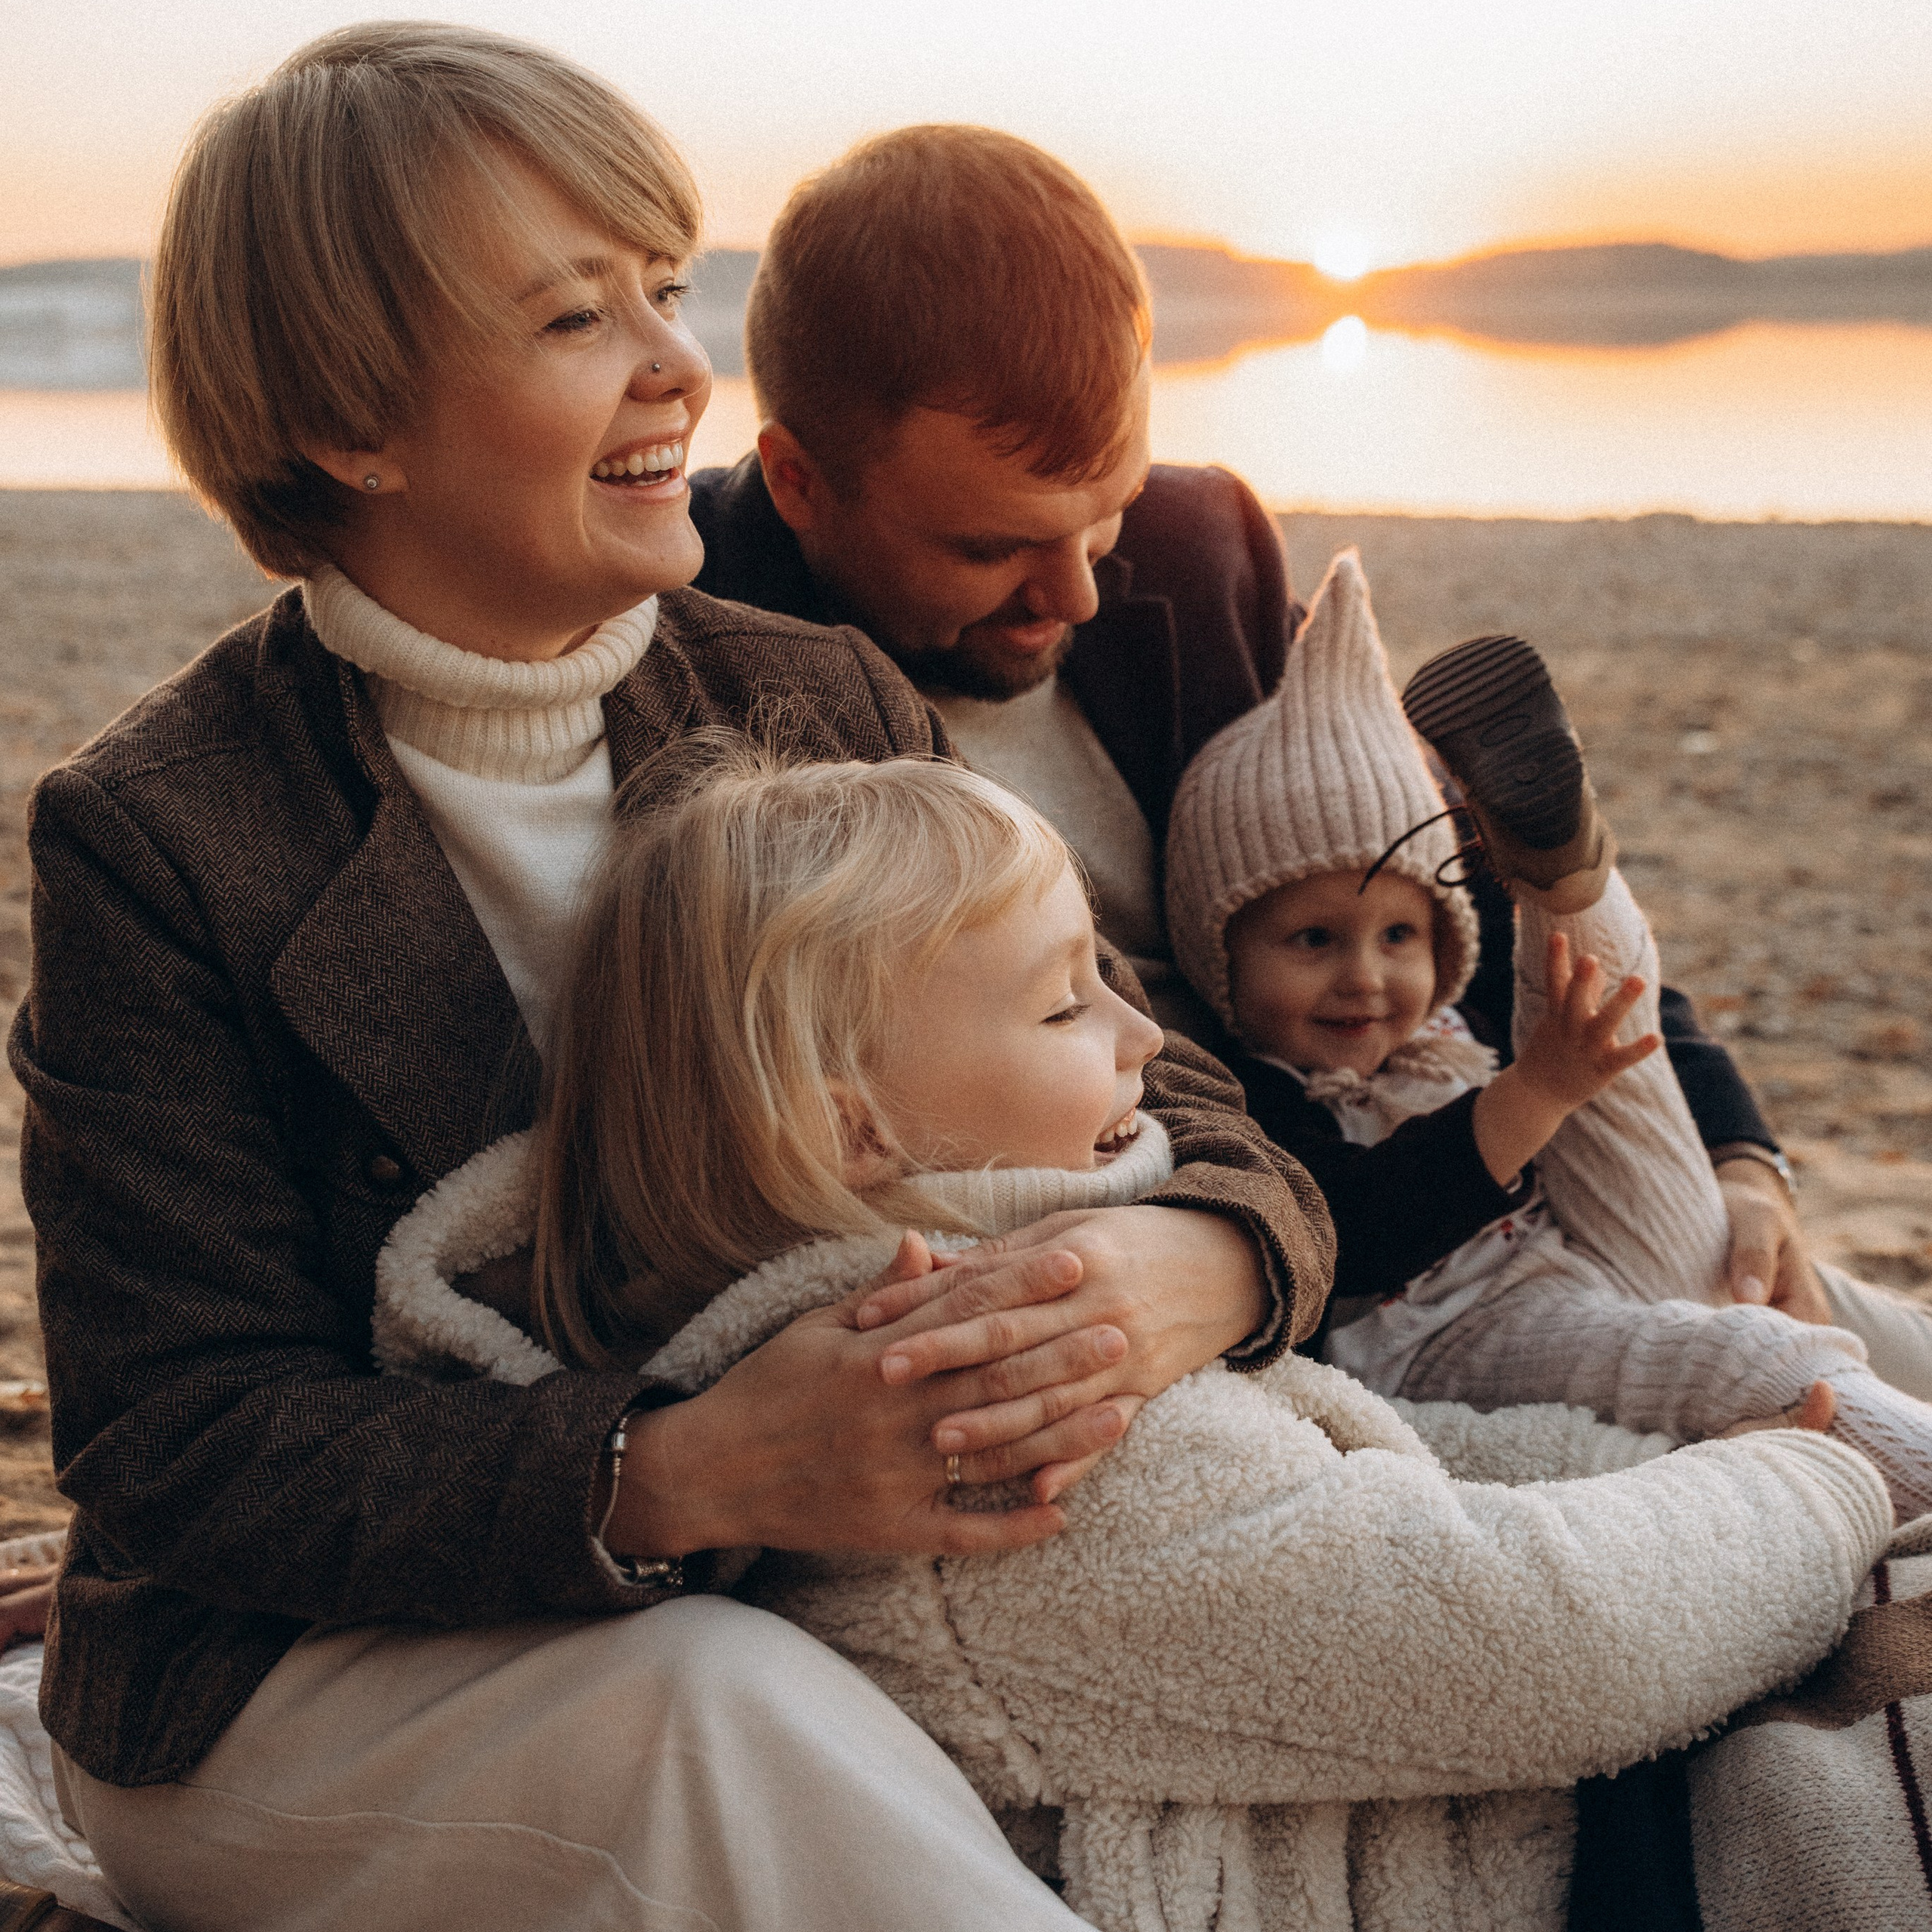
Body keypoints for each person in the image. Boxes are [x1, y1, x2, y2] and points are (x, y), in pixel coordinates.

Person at [9, 26, 1334, 1929]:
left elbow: (1172, 1086)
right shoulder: (159, 834)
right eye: (573, 319)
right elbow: (181, 1444)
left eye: (662, 283)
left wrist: (1178, 1268)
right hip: (309, 1689)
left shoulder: (813, 693)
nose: (674, 368)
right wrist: (686, 1468)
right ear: (349, 417)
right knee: (713, 1708)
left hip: (825, 1593)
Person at [372, 742, 1890, 1930]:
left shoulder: (1013, 1285)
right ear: (851, 1120)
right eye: (1062, 1006)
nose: (1144, 1039)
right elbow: (1544, 1639)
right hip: (1554, 1863)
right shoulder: (990, 1419)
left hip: (1529, 1771)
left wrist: (1676, 1457)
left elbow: (1399, 1467)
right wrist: (1810, 1496)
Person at [686, 120, 1877, 1349]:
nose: (1076, 598)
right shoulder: (700, 651)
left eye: (1099, 513)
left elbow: (1466, 867)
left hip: (1502, 1152)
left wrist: (1737, 1148)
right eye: (990, 548)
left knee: (1842, 1338)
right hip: (1260, 1254)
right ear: (797, 482)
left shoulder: (1199, 552)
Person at [1162, 550, 1932, 1519]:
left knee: (1599, 1037)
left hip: (1588, 1252)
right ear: (1217, 954)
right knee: (1728, 1347)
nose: (1364, 976)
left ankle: (1564, 879)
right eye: (1314, 939)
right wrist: (1534, 1091)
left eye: (1401, 935)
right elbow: (1350, 1233)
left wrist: (1719, 1153)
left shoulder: (1443, 1026)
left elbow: (1630, 1060)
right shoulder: (1249, 1093)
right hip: (1453, 1333)